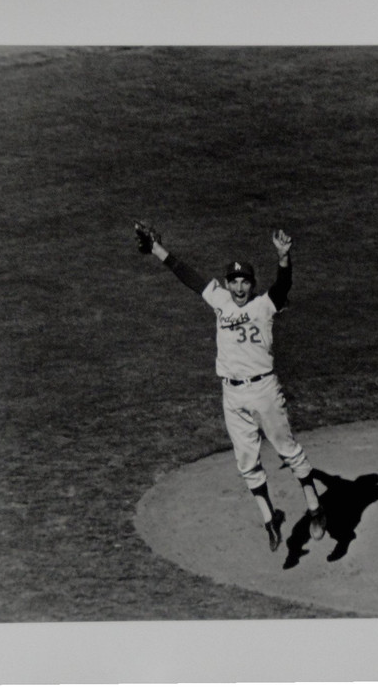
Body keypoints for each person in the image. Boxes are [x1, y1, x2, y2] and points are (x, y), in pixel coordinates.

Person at [135, 222, 326, 552]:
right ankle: (270, 521)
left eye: (245, 281)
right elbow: (188, 276)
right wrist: (156, 250)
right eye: (234, 281)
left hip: (264, 389)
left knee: (287, 449)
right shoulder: (220, 300)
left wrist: (284, 257)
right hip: (232, 394)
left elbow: (283, 286)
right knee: (246, 461)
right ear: (227, 284)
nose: (239, 287)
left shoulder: (265, 304)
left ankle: (314, 506)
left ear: (252, 285)